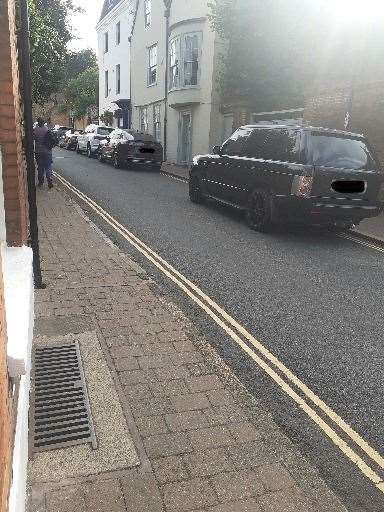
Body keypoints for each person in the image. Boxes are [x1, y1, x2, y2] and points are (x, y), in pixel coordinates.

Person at [33, 118, 54, 188]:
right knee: (48, 166)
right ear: (43, 122)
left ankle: (41, 182)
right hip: (48, 151)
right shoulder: (47, 129)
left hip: (38, 152)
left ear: (38, 123)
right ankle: (49, 179)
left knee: (40, 167)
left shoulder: (35, 130)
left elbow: (33, 138)